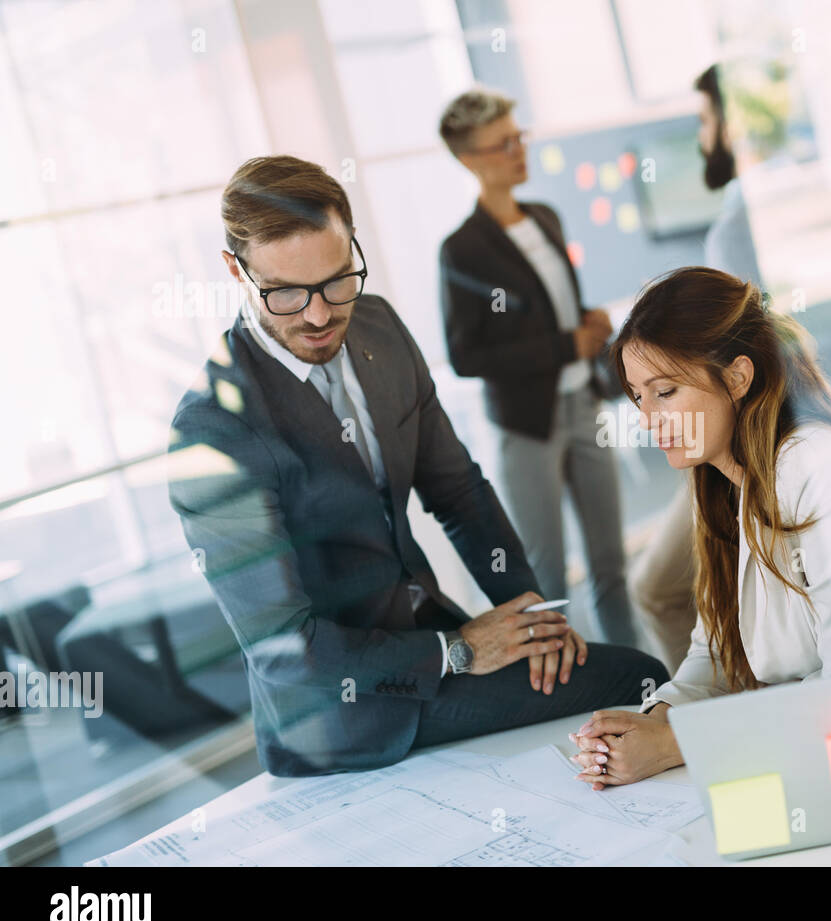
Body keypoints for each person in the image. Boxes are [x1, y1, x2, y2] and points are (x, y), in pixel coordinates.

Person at [167, 155, 667, 777]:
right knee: (636, 678)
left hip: (433, 639)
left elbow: (457, 492)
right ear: (234, 270)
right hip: (341, 714)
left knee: (632, 681)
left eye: (336, 280)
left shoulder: (378, 326)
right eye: (287, 294)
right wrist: (456, 652)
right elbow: (284, 651)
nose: (320, 315)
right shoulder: (213, 430)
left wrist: (530, 613)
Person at [568, 267, 831, 788]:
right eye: (640, 398)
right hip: (819, 752)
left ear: (736, 378)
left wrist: (678, 742)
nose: (648, 419)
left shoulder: (821, 468)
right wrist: (658, 721)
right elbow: (714, 651)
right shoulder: (724, 481)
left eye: (665, 391)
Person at [438, 88, 641, 650]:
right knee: (547, 580)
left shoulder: (546, 217)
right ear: (469, 159)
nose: (517, 150)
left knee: (611, 566)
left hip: (586, 406)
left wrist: (586, 323)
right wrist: (564, 342)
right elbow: (466, 355)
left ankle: (642, 680)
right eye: (502, 144)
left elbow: (541, 311)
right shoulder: (462, 250)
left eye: (518, 136)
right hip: (529, 426)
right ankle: (569, 693)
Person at [629, 64, 765, 672]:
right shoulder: (755, 211)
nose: (701, 136)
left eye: (706, 119)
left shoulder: (739, 225)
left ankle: (736, 701)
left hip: (749, 432)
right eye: (640, 397)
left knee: (656, 587)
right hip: (734, 437)